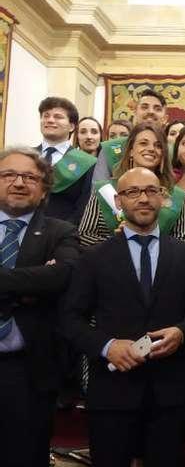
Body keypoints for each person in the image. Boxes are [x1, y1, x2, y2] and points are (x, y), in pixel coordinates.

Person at [61, 166, 185, 467]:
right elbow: (70, 318)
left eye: (151, 191)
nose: (143, 198)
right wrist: (106, 346)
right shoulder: (93, 258)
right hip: (112, 390)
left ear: (164, 198)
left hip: (169, 392)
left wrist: (183, 333)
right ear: (118, 202)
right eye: (133, 192)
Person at [0, 148, 79, 467]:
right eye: (9, 175)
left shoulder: (61, 231)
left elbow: (61, 277)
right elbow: (43, 280)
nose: (19, 182)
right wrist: (28, 285)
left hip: (30, 370)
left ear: (44, 188)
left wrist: (44, 281)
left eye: (30, 177)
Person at [79, 122, 185, 247]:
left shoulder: (176, 196)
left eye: (158, 145)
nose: (151, 149)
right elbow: (85, 235)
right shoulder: (105, 190)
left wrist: (152, 244)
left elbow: (181, 242)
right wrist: (118, 243)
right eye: (143, 143)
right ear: (131, 150)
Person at [36, 97, 97, 225]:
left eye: (58, 117)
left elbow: (84, 207)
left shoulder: (87, 163)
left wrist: (64, 233)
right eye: (46, 116)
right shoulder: (26, 156)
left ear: (71, 126)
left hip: (62, 233)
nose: (50, 120)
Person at [93, 89, 168, 183]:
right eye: (144, 107)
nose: (151, 111)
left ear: (165, 118)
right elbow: (100, 187)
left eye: (157, 109)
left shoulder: (173, 150)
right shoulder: (110, 148)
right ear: (135, 113)